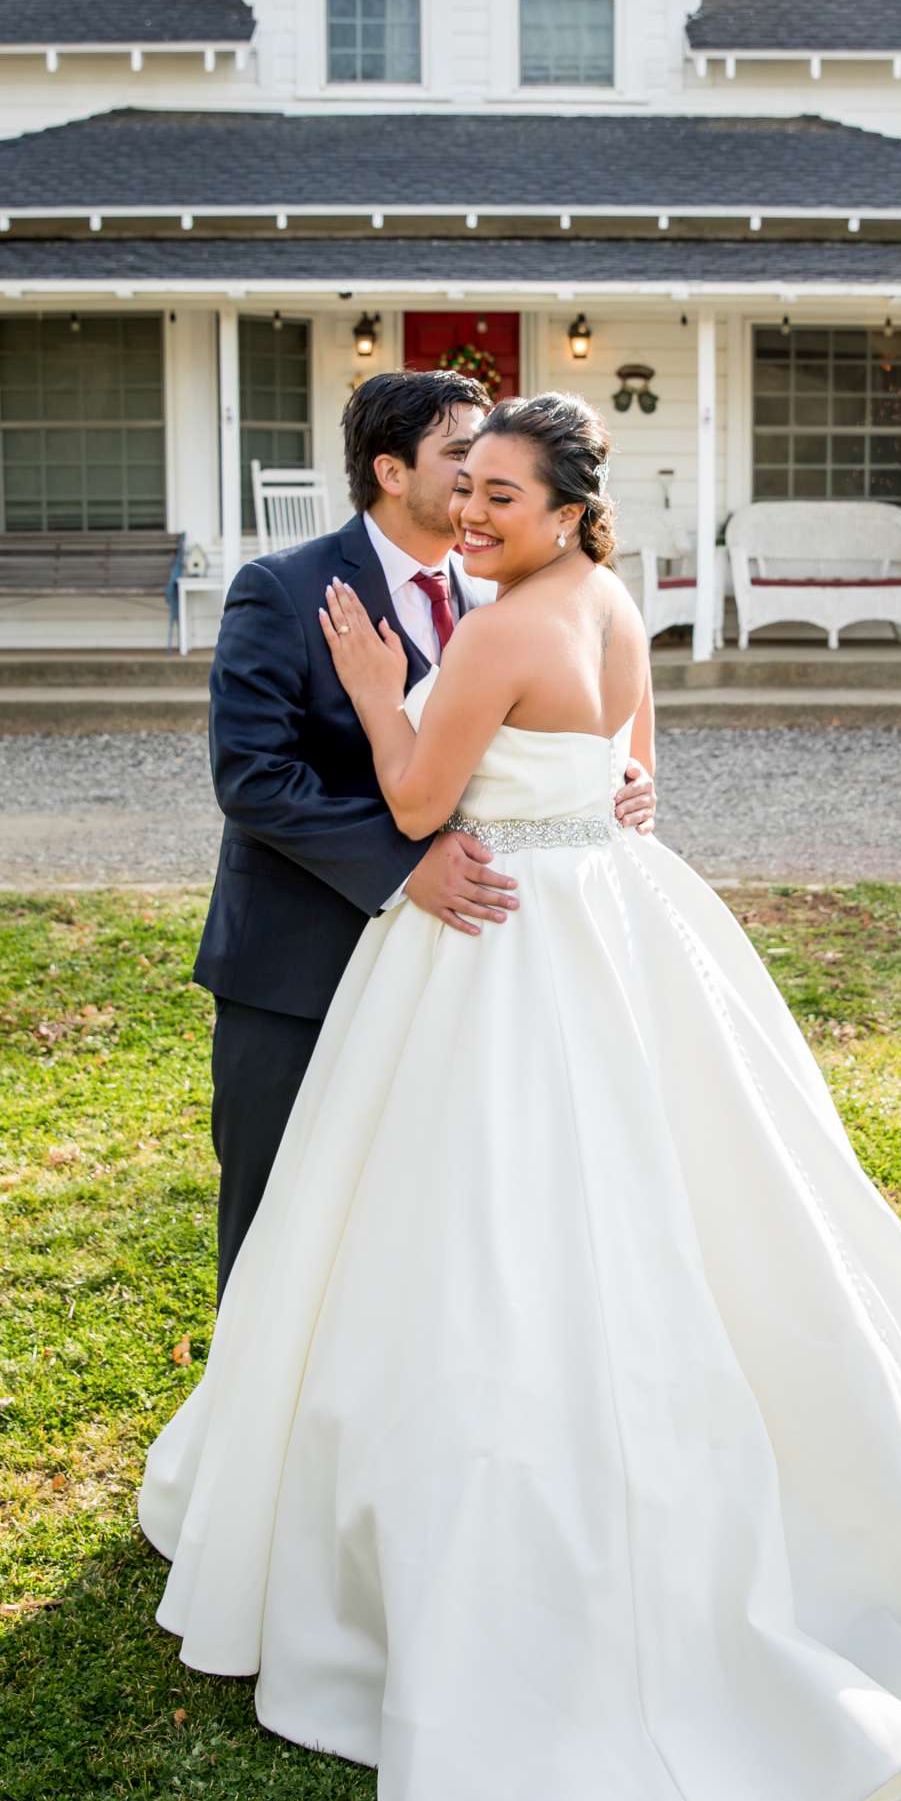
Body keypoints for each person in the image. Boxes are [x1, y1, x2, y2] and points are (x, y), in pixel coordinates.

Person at [142, 392, 901, 1801]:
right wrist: (603, 797)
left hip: (502, 954)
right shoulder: (611, 599)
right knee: (631, 1202)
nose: (476, 512)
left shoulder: (495, 628)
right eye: (465, 485)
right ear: (402, 474)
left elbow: (426, 798)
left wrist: (382, 691)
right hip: (604, 933)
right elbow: (630, 766)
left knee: (491, 1218)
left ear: (567, 508)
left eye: (501, 492)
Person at [192, 367, 656, 1300]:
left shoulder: (506, 588)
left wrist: (616, 781)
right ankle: (252, 1423)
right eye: (460, 460)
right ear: (391, 471)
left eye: (495, 472)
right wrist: (409, 865)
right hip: (302, 963)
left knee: (428, 1225)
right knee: (279, 1211)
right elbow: (253, 779)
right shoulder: (283, 590)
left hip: (471, 975)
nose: (476, 486)